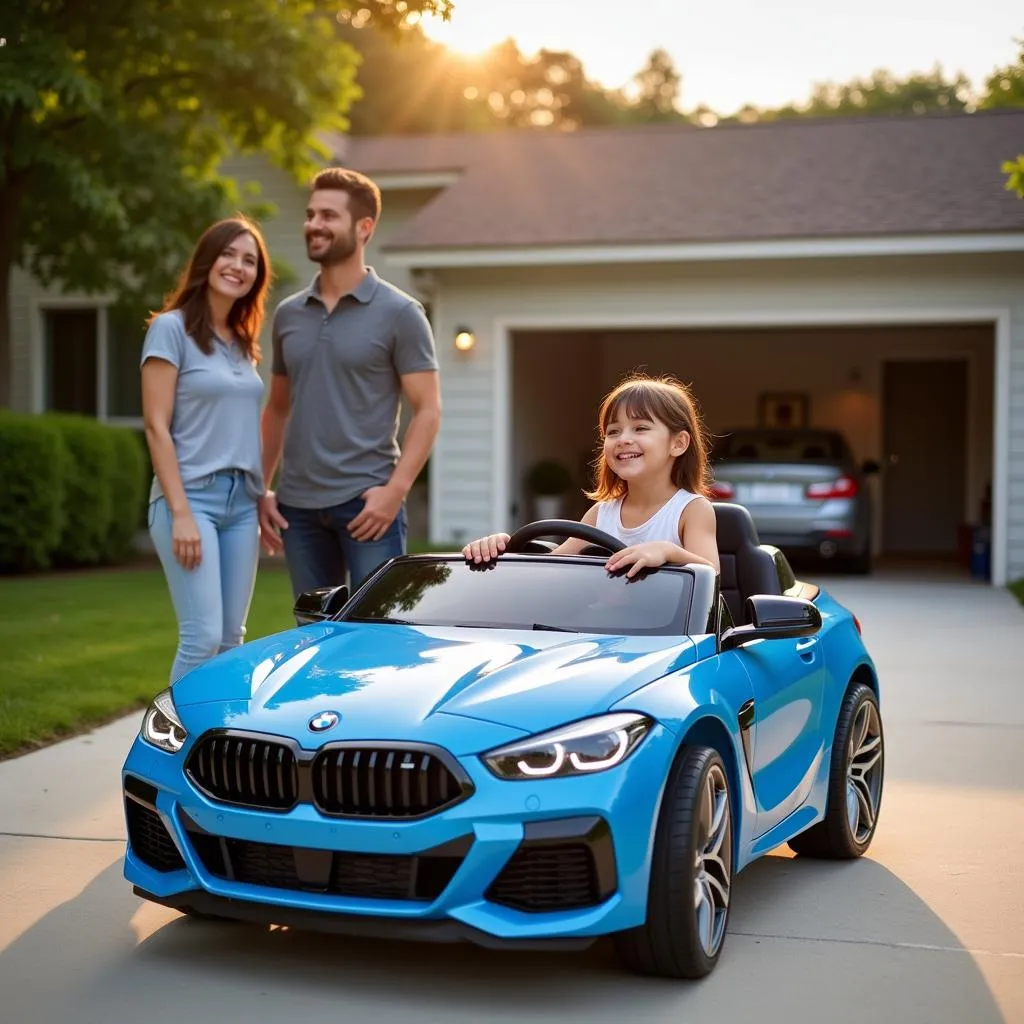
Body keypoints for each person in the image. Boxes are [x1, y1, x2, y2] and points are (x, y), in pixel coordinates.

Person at [258, 167, 441, 597]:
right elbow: (278, 408)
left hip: (367, 503)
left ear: (364, 228)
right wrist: (262, 488)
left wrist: (395, 492)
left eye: (328, 215)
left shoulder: (401, 313)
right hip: (297, 509)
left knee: (376, 635)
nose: (313, 225)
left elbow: (428, 409)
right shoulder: (288, 314)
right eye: (310, 215)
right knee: (312, 635)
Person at [141, 217, 271, 682]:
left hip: (242, 507)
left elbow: (240, 428)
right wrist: (180, 513)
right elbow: (156, 426)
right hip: (191, 497)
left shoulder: (242, 343)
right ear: (207, 260)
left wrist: (263, 493)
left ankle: (221, 750)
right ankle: (174, 749)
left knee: (232, 640)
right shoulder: (170, 330)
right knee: (202, 636)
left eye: (249, 260)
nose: (238, 266)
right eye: (229, 254)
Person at [463, 374, 720, 577]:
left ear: (678, 444)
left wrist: (667, 551)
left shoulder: (691, 510)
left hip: (667, 635)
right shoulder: (601, 514)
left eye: (640, 428)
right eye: (613, 431)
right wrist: (504, 548)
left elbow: (712, 573)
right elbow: (551, 568)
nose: (624, 439)